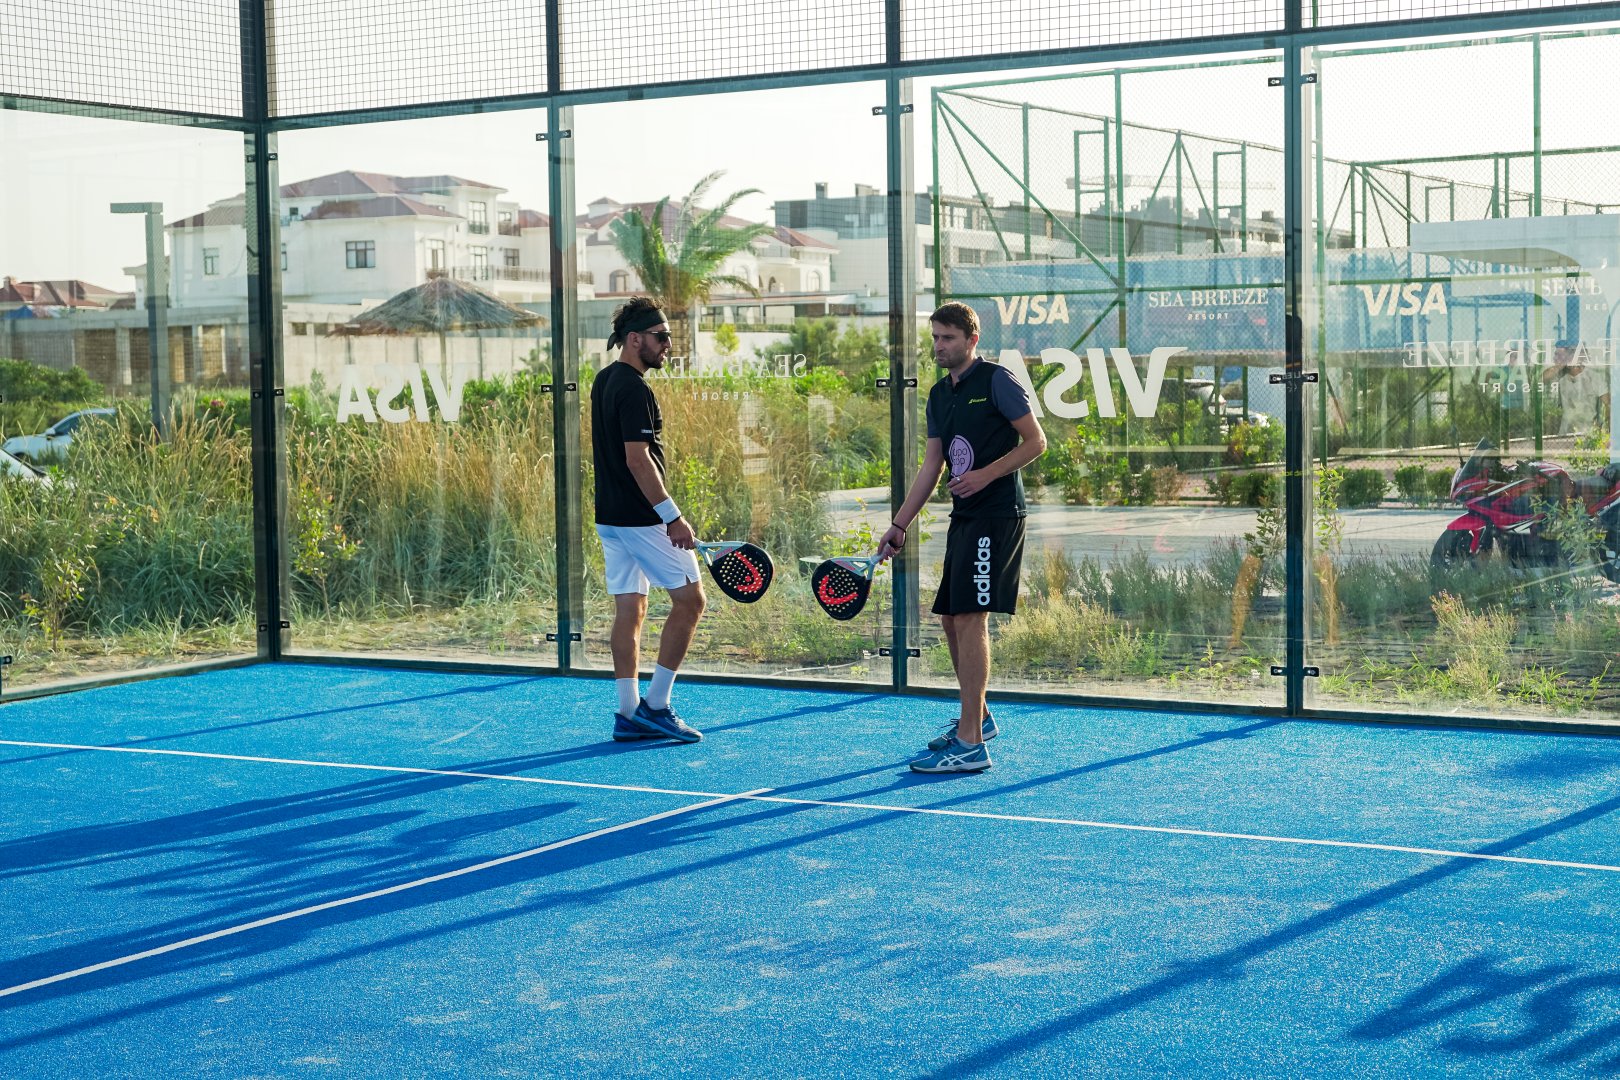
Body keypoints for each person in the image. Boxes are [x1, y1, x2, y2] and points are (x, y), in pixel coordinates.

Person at [877, 302, 1046, 773]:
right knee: (952, 619)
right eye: (934, 338)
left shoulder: (997, 380)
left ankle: (971, 744)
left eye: (947, 338)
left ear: (972, 339)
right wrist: (899, 524)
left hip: (997, 514)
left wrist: (985, 475)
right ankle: (979, 717)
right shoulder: (938, 394)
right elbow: (932, 466)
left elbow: (1036, 441)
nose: (939, 347)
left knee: (971, 617)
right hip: (964, 517)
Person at [591, 296, 706, 744]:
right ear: (634, 339)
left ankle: (627, 713)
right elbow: (638, 461)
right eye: (660, 338)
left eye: (669, 338)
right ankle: (655, 707)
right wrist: (672, 517)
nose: (667, 346)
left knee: (631, 607)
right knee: (691, 601)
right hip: (641, 520)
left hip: (611, 520)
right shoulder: (635, 388)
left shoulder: (604, 381)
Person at [1543, 339, 1612, 438]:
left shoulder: (1594, 377)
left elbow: (1608, 404)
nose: (1555, 358)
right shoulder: (1560, 376)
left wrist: (1608, 433)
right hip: (1565, 433)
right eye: (1556, 355)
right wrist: (1560, 365)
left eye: (1559, 355)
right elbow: (1540, 380)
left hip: (1588, 434)